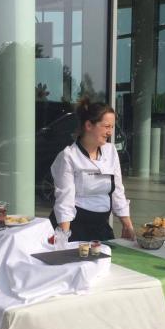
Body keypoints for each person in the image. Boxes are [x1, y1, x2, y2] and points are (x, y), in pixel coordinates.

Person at [49, 97, 135, 241]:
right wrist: (63, 239)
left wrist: (127, 226)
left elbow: (117, 191)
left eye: (112, 127)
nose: (110, 132)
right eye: (107, 126)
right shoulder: (68, 156)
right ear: (89, 125)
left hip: (100, 227)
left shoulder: (111, 151)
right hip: (74, 228)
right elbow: (65, 201)